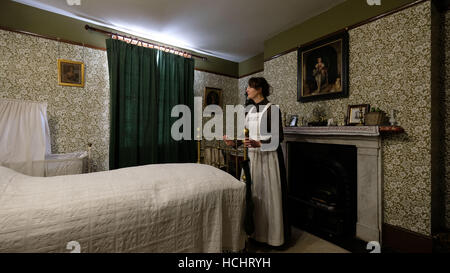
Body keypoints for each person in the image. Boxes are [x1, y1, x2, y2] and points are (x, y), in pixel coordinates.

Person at [223, 77, 291, 248]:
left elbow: (279, 138)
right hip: (251, 159)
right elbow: (247, 137)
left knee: (268, 197)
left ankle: (271, 237)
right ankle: (253, 232)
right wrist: (235, 142)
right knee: (253, 195)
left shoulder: (272, 110)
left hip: (268, 160)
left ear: (259, 89)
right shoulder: (249, 110)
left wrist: (259, 143)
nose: (246, 90)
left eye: (249, 87)